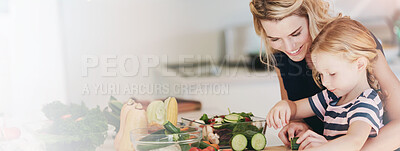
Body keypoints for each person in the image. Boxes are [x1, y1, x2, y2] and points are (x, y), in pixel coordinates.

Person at [249, 0, 400, 150]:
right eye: (274, 39)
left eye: (295, 33)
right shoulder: (281, 56)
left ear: (310, 16)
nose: (289, 48)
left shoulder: (351, 42)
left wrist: (334, 148)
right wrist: (298, 125)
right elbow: (295, 110)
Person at [267, 17, 384, 150]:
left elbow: (354, 141)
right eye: (321, 74)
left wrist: (322, 147)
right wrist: (285, 106)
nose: (325, 82)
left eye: (332, 74)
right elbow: (296, 108)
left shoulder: (366, 102)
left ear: (360, 64)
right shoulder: (331, 97)